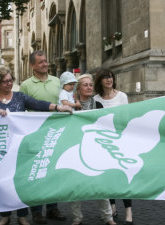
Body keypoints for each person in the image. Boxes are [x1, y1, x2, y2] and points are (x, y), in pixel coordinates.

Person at [0, 66, 71, 225]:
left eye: (10, 80)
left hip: (19, 148)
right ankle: (5, 215)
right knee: (2, 182)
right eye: (5, 81)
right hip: (0, 150)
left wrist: (58, 107)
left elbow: (38, 104)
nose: (9, 84)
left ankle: (22, 215)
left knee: (19, 182)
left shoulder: (20, 97)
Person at [20, 50, 67, 224]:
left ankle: (53, 208)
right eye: (40, 62)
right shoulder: (26, 85)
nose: (45, 64)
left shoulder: (57, 81)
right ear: (32, 65)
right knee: (37, 172)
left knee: (54, 172)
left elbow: (66, 101)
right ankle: (37, 211)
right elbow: (22, 110)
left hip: (57, 133)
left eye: (46, 61)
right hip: (36, 135)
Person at [69, 74, 116, 225]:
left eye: (90, 85)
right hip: (75, 147)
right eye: (85, 85)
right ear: (78, 88)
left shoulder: (98, 106)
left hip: (96, 149)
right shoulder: (71, 106)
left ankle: (108, 217)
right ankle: (77, 217)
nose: (89, 87)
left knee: (101, 185)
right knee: (75, 185)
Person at [94, 68, 133, 225]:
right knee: (108, 176)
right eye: (105, 77)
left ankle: (129, 212)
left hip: (120, 140)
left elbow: (126, 117)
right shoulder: (96, 99)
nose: (109, 80)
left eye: (110, 77)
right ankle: (112, 207)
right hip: (103, 142)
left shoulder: (122, 96)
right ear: (100, 81)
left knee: (123, 177)